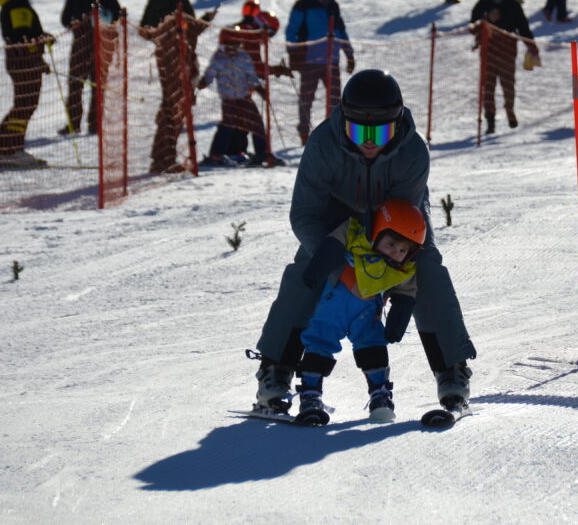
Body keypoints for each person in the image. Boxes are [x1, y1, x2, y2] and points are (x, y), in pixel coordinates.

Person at [251, 69, 476, 417]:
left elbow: (399, 231)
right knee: (309, 269)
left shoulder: (413, 151)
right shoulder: (323, 144)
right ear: (344, 122)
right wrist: (338, 267)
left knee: (425, 266)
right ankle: (275, 370)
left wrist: (391, 287)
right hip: (335, 214)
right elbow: (305, 215)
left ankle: (451, 369)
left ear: (396, 125)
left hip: (398, 216)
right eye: (358, 131)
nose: (369, 142)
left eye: (380, 132)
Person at [293, 198, 426, 424]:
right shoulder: (356, 236)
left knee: (373, 347)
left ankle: (380, 395)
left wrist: (397, 322)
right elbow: (334, 243)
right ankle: (310, 396)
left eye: (403, 250)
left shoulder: (400, 269)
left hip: (366, 316)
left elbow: (406, 292)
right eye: (391, 244)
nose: (396, 252)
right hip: (331, 310)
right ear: (378, 231)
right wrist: (317, 268)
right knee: (318, 345)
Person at [139, 0, 216, 174]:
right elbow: (184, 30)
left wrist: (202, 22)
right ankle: (164, 158)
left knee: (172, 104)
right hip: (175, 58)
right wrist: (201, 23)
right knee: (175, 105)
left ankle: (162, 156)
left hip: (171, 55)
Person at [0, 0, 52, 168]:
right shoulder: (18, 5)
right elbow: (21, 38)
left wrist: (40, 42)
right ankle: (10, 150)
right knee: (24, 105)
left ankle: (3, 149)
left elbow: (24, 37)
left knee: (24, 105)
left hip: (24, 61)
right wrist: (38, 49)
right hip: (23, 62)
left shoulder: (18, 2)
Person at [285, 0, 355, 145]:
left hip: (332, 60)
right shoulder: (303, 5)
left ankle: (334, 133)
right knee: (307, 98)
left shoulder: (332, 5)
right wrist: (293, 52)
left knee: (335, 101)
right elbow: (291, 30)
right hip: (309, 61)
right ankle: (304, 132)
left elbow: (340, 30)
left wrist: (349, 53)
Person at [216, 0, 286, 167]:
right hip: (238, 87)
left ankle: (233, 152)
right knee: (252, 121)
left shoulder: (243, 33)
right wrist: (274, 70)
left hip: (232, 85)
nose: (267, 38)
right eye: (269, 33)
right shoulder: (250, 36)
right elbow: (255, 66)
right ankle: (260, 154)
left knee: (237, 121)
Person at [470, 0, 540, 134]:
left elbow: (523, 26)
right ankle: (490, 120)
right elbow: (473, 26)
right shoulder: (482, 3)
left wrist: (531, 45)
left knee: (508, 83)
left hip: (508, 49)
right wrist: (487, 19)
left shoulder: (512, 3)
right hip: (488, 49)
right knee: (488, 85)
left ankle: (510, 112)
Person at [58, 0, 122, 137]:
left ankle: (74, 124)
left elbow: (65, 20)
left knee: (75, 85)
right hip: (102, 44)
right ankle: (95, 124)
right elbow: (118, 16)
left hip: (81, 45)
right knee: (98, 86)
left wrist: (78, 25)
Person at [197, 39, 268, 168]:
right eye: (230, 45)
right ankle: (216, 156)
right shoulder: (219, 57)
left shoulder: (243, 56)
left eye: (236, 45)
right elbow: (210, 74)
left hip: (243, 97)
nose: (234, 48)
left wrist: (260, 90)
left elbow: (251, 76)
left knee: (256, 124)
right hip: (229, 99)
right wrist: (203, 82)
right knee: (228, 126)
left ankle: (262, 153)